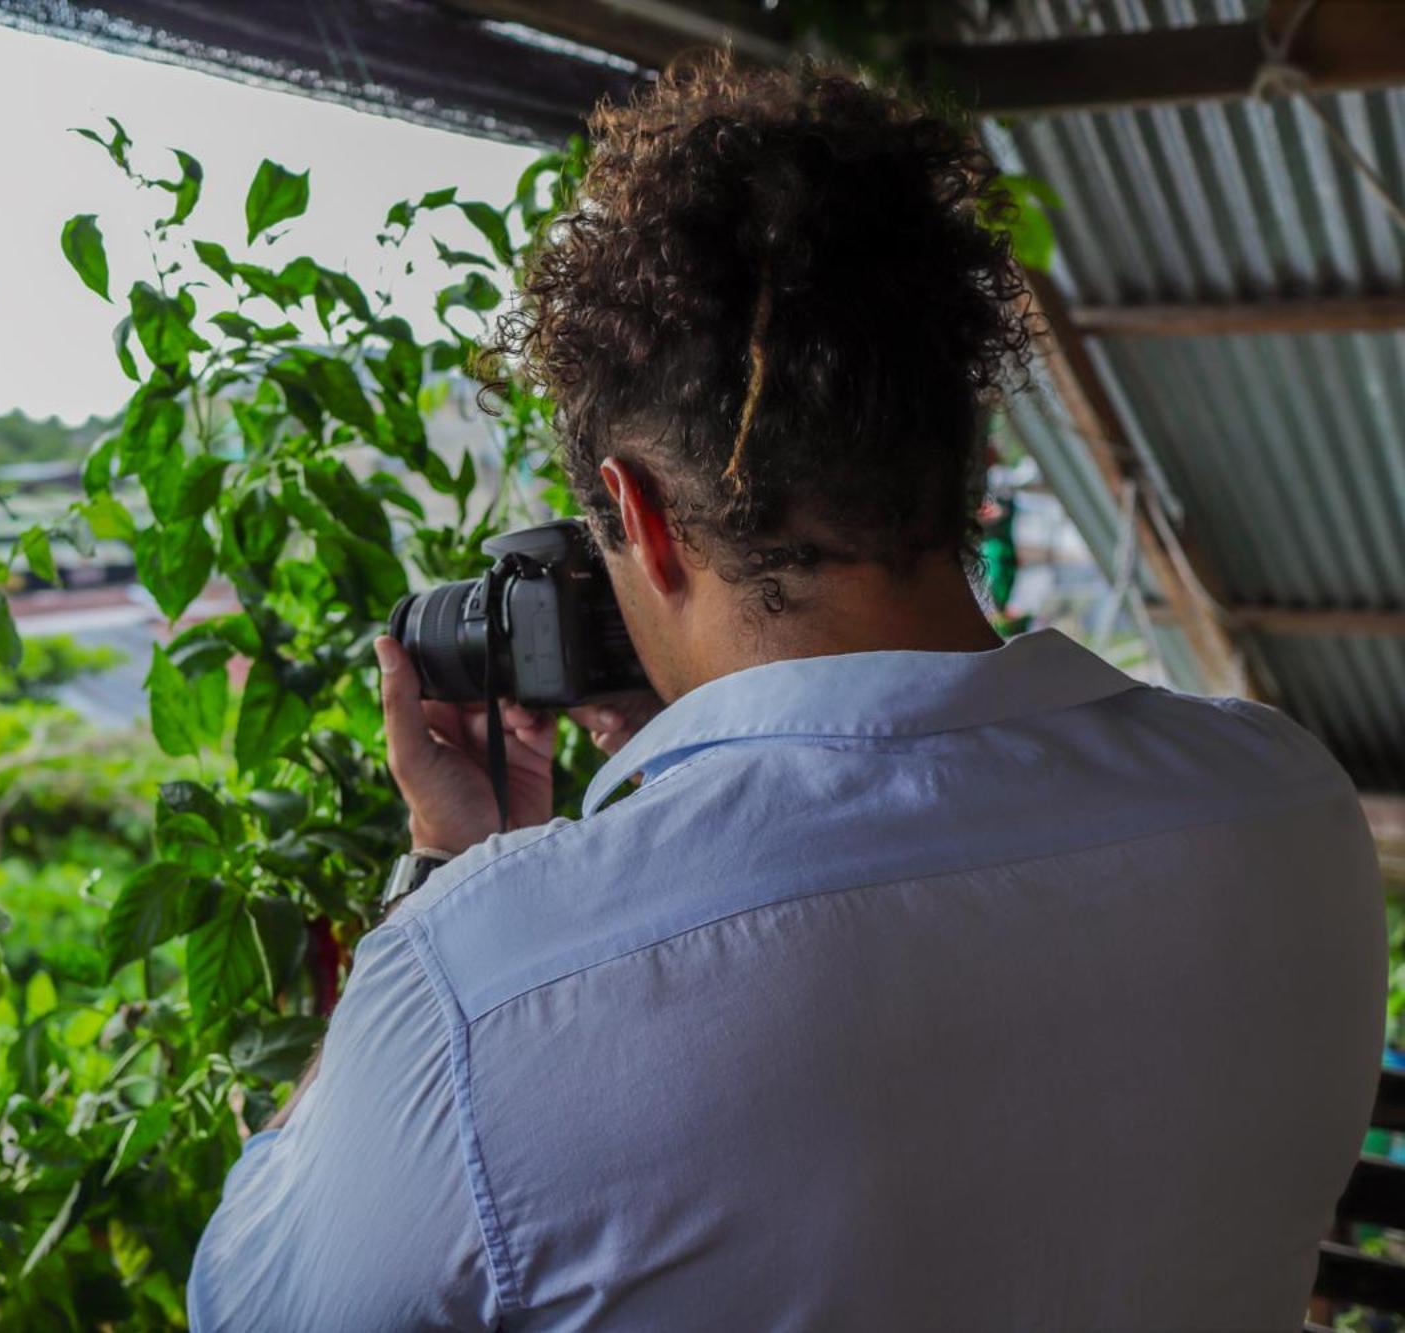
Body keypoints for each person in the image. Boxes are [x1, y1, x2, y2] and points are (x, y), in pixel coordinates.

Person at [187, 57, 1384, 1332]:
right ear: (957, 458)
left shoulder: (484, 989)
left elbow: (241, 1301)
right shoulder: (1280, 801)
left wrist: (446, 866)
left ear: (639, 520)